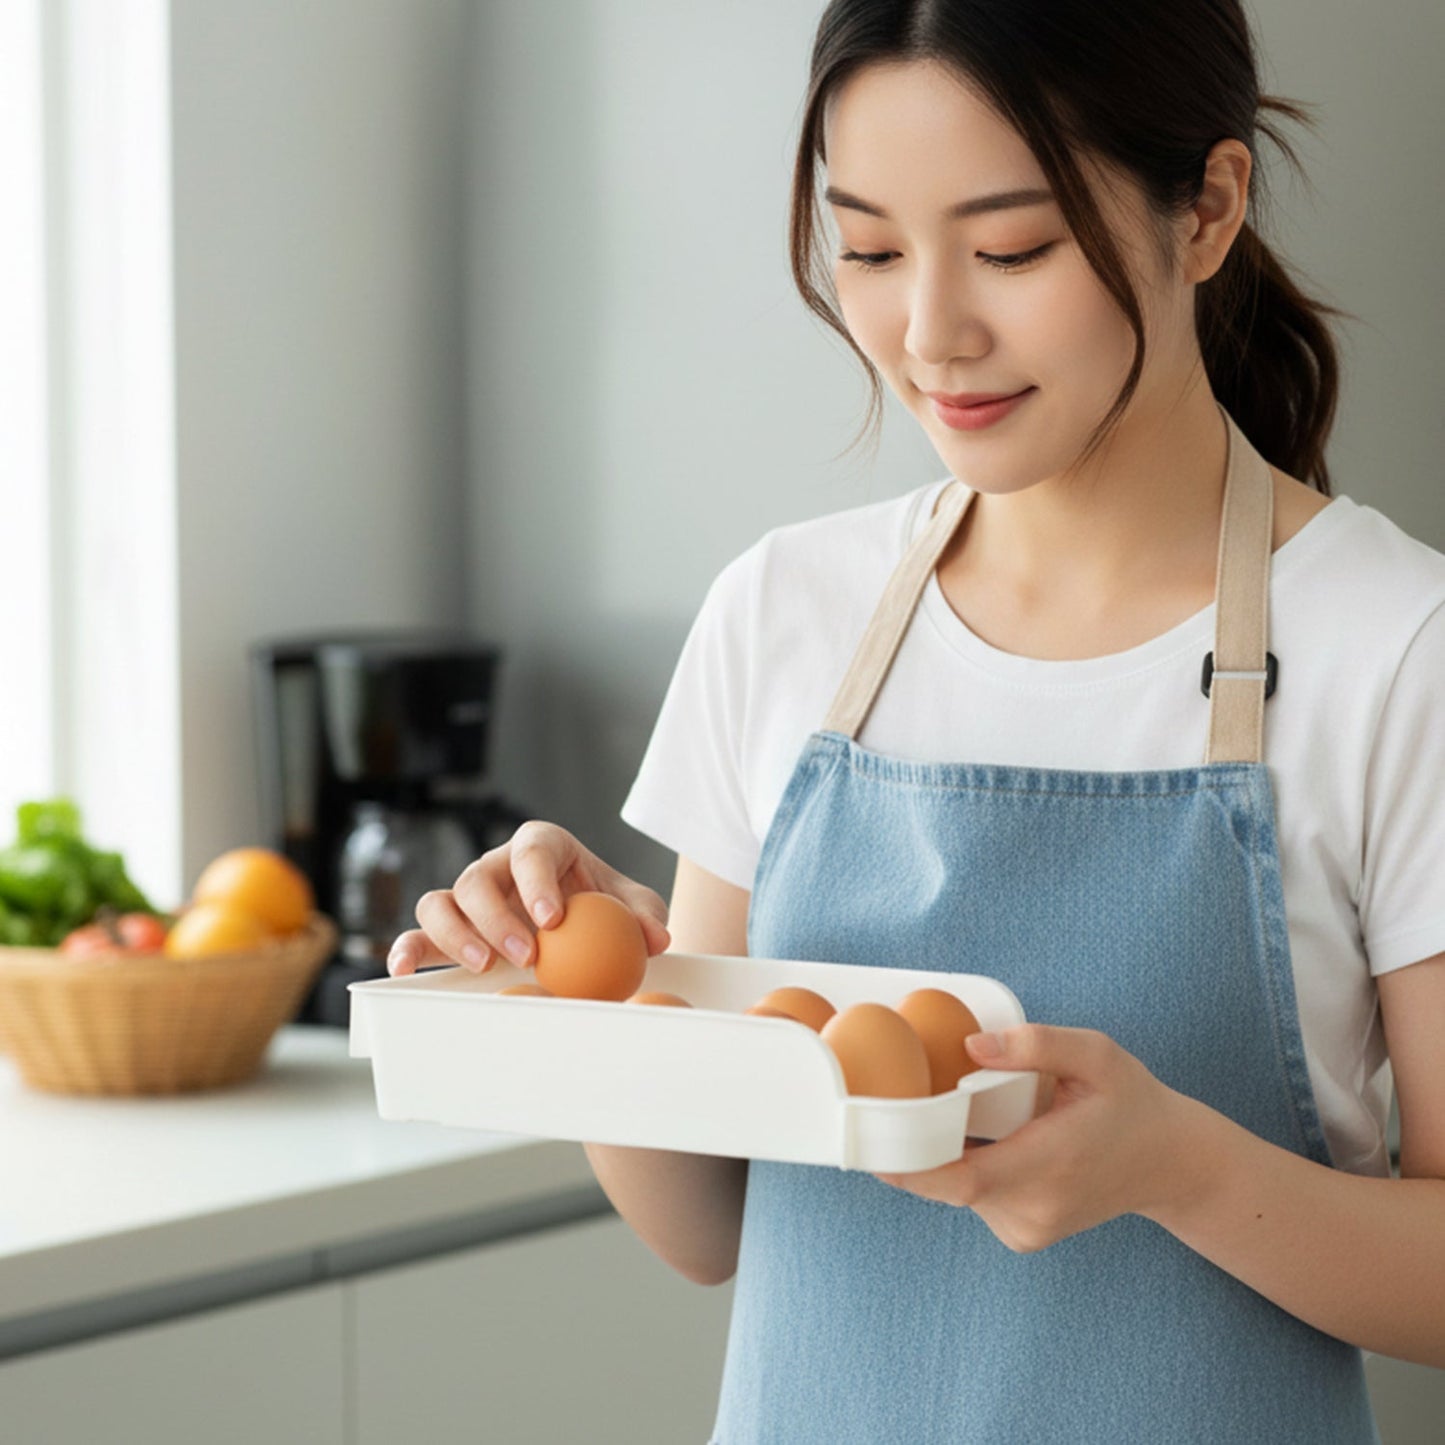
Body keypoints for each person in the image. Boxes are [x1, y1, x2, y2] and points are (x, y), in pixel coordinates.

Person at [388, 2, 1445, 1439]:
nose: (928, 332)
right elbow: (706, 1226)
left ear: (1204, 208)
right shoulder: (785, 613)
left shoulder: (1394, 649)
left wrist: (1174, 1168)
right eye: (871, 248)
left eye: (1011, 247)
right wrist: (595, 988)